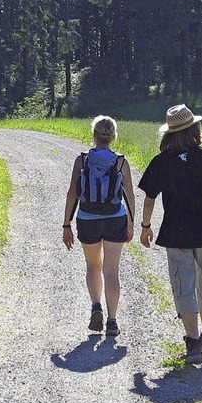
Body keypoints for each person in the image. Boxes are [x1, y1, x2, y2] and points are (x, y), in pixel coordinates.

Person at [138, 104, 202, 364]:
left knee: (183, 286)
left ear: (168, 133)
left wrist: (145, 227)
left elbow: (150, 198)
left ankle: (193, 345)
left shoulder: (161, 162)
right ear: (195, 129)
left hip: (176, 231)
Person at [62, 115, 135, 337]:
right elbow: (129, 197)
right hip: (115, 218)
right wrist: (130, 223)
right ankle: (112, 321)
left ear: (93, 134)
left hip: (87, 217)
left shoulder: (82, 160)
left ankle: (96, 306)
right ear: (113, 136)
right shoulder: (121, 162)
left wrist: (66, 224)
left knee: (93, 266)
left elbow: (72, 194)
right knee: (111, 272)